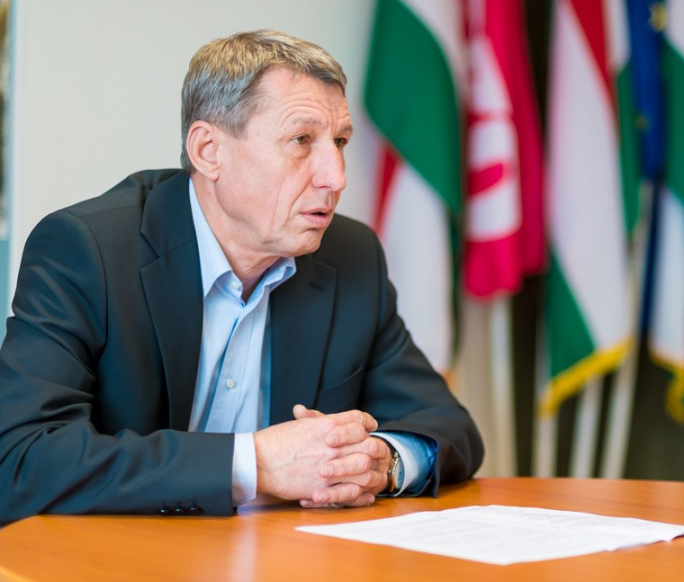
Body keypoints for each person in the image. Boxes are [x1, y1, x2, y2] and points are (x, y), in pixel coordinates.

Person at [0, 30, 483, 525]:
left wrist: (381, 463)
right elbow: (20, 459)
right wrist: (257, 464)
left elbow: (448, 425)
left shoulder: (350, 256)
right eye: (301, 141)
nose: (336, 177)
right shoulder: (89, 251)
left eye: (339, 142)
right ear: (209, 150)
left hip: (279, 556)